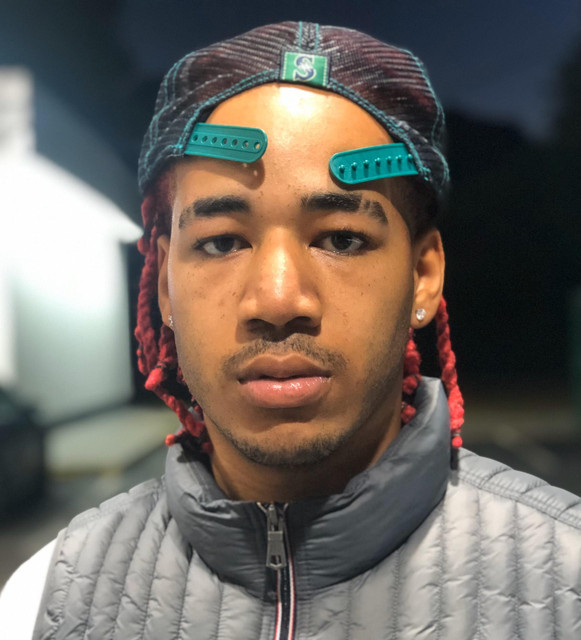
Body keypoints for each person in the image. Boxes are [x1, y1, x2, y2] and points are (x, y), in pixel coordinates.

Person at [1, 21, 580, 640]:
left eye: (342, 239)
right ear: (164, 284)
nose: (278, 300)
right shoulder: (45, 602)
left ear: (422, 277)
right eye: (222, 242)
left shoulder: (565, 585)